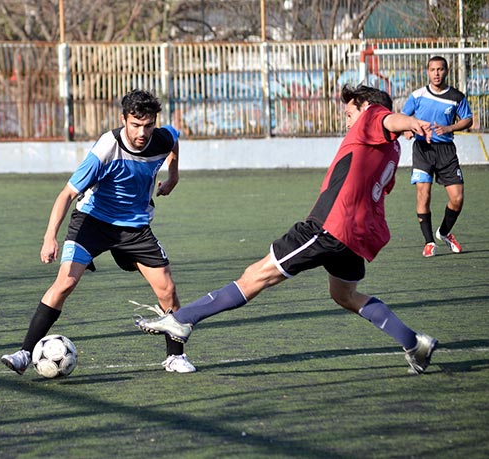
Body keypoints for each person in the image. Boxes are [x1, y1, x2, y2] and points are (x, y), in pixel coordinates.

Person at [135, 85, 438, 375]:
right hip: (354, 238)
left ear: (367, 108)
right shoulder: (392, 148)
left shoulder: (372, 119)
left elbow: (387, 118)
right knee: (345, 295)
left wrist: (411, 120)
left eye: (349, 113)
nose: (347, 120)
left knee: (256, 276)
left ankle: (183, 320)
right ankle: (415, 343)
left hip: (329, 227)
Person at [1, 89, 196, 374]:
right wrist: (49, 237)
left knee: (167, 289)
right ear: (123, 119)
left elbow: (174, 139)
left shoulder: (161, 138)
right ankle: (23, 353)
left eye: (148, 125)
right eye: (135, 124)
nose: (142, 132)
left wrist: (174, 176)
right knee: (65, 283)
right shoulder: (106, 148)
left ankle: (175, 356)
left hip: (136, 227)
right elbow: (67, 194)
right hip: (92, 221)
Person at [401, 55, 473, 257]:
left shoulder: (456, 97)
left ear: (446, 71)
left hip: (446, 152)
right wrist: (407, 129)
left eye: (440, 69)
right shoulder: (417, 95)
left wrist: (449, 127)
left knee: (457, 198)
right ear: (427, 72)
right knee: (423, 194)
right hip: (423, 150)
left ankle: (444, 232)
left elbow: (468, 119)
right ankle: (429, 242)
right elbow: (404, 118)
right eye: (433, 70)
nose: (436, 73)